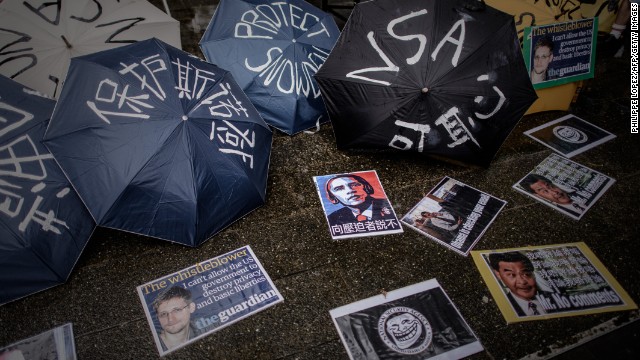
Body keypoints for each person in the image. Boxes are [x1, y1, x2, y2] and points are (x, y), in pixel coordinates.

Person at [488, 252, 551, 317]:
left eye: (526, 274)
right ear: (498, 275)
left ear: (533, 274)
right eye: (512, 275)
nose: (522, 282)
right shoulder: (499, 307)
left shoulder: (555, 297)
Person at [324, 174, 394, 225]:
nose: (350, 190)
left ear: (366, 187)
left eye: (355, 185)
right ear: (333, 197)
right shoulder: (333, 218)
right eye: (339, 188)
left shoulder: (390, 206)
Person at [152, 286, 200, 352]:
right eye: (163, 314)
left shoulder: (202, 329)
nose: (170, 319)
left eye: (176, 310)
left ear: (191, 307)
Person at [518, 173, 586, 215]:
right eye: (545, 191)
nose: (554, 192)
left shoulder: (580, 191)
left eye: (551, 186)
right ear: (538, 196)